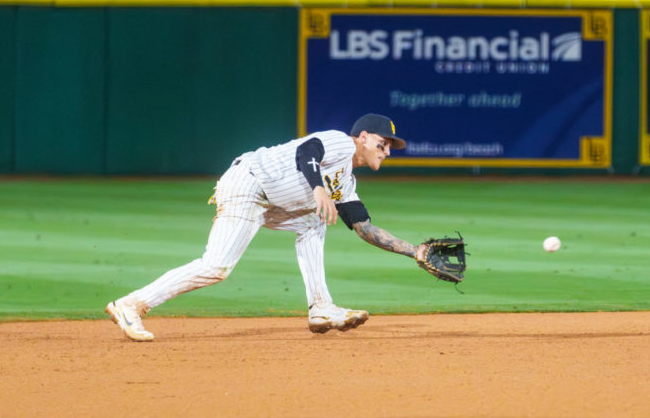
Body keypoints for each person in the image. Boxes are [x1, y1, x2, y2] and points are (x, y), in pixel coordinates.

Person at [105, 113, 427, 340]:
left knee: (315, 221)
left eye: (390, 147)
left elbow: (363, 228)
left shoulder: (346, 182)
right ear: (364, 137)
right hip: (248, 184)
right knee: (216, 267)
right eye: (383, 144)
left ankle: (321, 307)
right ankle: (131, 305)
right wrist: (318, 189)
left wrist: (415, 252)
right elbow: (307, 151)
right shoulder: (342, 143)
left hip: (270, 202)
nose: (387, 151)